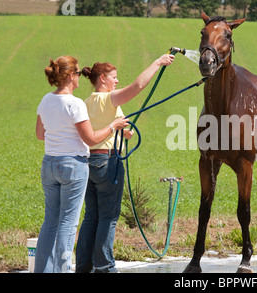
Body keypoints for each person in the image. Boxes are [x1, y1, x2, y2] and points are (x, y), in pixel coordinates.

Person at [75, 53, 174, 273]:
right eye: (114, 77)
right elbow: (137, 86)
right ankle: (105, 267)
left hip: (89, 162)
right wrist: (157, 63)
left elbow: (97, 128)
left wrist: (121, 131)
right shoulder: (107, 98)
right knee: (109, 216)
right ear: (102, 79)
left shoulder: (86, 102)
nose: (117, 81)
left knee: (92, 216)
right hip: (107, 163)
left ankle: (83, 267)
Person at [35, 56, 129, 273]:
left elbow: (41, 134)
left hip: (49, 163)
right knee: (68, 223)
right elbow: (91, 139)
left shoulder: (46, 100)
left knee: (50, 222)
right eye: (77, 73)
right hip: (72, 166)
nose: (79, 77)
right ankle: (63, 270)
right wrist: (113, 126)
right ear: (69, 76)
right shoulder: (75, 103)